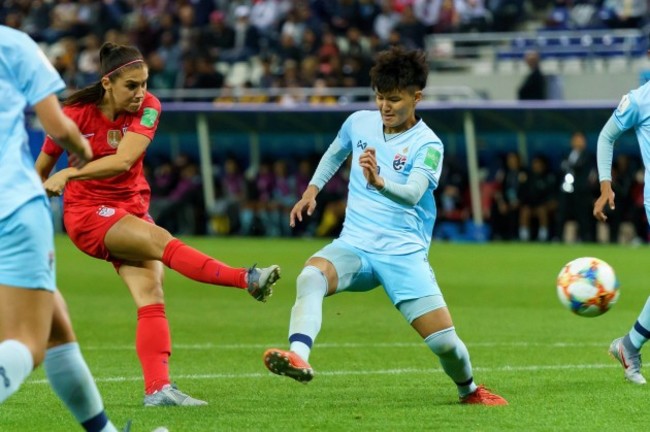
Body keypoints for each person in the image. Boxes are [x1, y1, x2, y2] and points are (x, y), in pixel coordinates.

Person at [34, 41, 281, 406]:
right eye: (131, 86)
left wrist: (69, 173)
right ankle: (246, 278)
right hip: (87, 214)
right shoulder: (73, 113)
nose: (141, 93)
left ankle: (158, 390)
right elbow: (39, 171)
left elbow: (123, 160)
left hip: (130, 209)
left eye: (144, 83)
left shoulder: (149, 108)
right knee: (161, 241)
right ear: (107, 84)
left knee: (151, 296)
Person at [262, 46, 507, 405]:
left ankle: (468, 390)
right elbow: (335, 151)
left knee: (445, 344)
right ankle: (299, 356)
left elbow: (413, 193)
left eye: (393, 99)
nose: (384, 107)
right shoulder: (359, 122)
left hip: (403, 254)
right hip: (355, 246)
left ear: (416, 97)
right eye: (379, 97)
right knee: (310, 276)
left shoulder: (429, 144)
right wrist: (312, 190)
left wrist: (378, 183)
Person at [0, 25, 120, 431]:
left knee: (57, 328)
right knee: (28, 344)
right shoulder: (12, 44)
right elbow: (57, 123)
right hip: (11, 207)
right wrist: (83, 150)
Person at [594, 77, 650, 385]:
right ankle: (629, 346)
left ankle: (628, 345)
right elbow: (606, 136)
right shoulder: (639, 100)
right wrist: (605, 185)